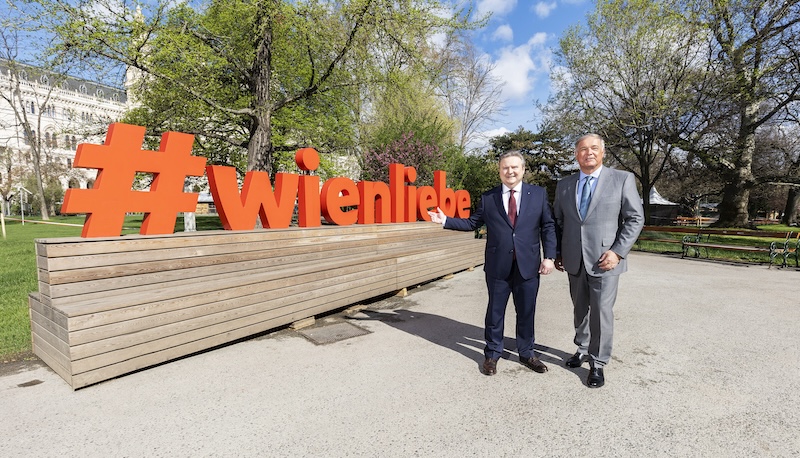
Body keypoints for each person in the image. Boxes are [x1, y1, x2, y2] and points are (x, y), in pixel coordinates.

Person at [429, 150, 557, 376]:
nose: (510, 171)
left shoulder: (537, 194)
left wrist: (549, 257)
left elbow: (548, 225)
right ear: (499, 171)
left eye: (514, 167)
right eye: (505, 167)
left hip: (528, 265)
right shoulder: (489, 198)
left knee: (526, 312)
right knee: (495, 313)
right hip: (498, 266)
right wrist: (445, 220)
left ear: (523, 169)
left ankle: (527, 353)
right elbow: (472, 223)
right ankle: (492, 353)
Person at [553, 133, 644, 388]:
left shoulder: (622, 179)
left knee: (602, 312)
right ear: (576, 154)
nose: (588, 152)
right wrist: (558, 252)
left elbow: (635, 218)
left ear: (603, 152)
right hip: (573, 258)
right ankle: (581, 349)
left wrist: (617, 251)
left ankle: (598, 362)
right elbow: (558, 221)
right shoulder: (564, 185)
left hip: (606, 259)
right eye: (583, 149)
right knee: (580, 308)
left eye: (594, 148)